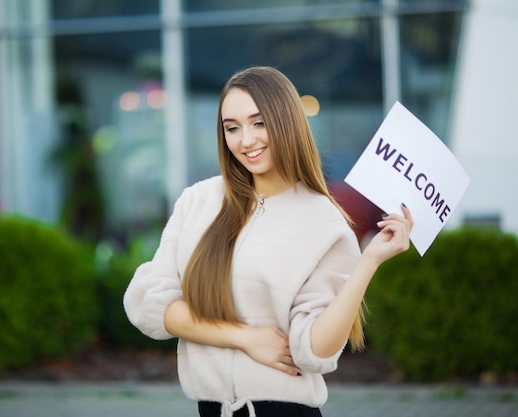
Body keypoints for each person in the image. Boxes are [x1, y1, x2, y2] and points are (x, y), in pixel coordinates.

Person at [123, 66, 413, 417]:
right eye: (232, 127)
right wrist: (245, 338)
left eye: (258, 123)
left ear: (286, 122)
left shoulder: (323, 220)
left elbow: (314, 351)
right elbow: (147, 304)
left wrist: (369, 261)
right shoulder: (198, 201)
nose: (246, 140)